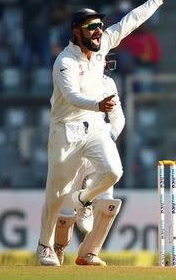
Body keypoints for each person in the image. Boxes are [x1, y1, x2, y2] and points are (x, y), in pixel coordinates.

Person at [37, 0, 176, 266]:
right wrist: (98, 104)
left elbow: (131, 21)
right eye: (91, 27)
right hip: (65, 130)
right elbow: (73, 96)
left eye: (100, 25)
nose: (99, 31)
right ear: (77, 31)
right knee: (56, 192)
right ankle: (44, 246)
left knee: (114, 171)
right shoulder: (64, 61)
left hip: (93, 129)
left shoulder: (102, 47)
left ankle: (84, 200)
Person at [53, 63, 125, 265]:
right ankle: (58, 249)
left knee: (107, 203)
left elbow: (117, 117)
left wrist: (109, 136)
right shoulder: (72, 78)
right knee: (66, 210)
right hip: (74, 146)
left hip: (99, 146)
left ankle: (89, 252)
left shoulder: (107, 82)